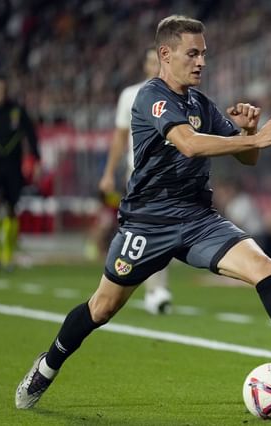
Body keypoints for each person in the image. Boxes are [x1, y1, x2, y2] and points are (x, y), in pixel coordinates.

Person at [15, 15, 271, 410]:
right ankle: (47, 366)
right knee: (102, 307)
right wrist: (257, 139)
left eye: (204, 54)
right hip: (148, 223)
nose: (201, 62)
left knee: (265, 267)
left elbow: (247, 158)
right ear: (165, 54)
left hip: (198, 219)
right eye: (192, 54)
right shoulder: (151, 96)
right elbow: (190, 144)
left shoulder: (200, 102)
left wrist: (249, 133)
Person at [98, 47, 173, 315]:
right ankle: (151, 289)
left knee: (162, 228)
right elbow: (120, 138)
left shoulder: (178, 96)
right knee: (146, 229)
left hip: (170, 174)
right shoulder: (130, 95)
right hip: (139, 173)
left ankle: (154, 289)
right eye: (151, 61)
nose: (155, 66)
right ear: (145, 65)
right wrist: (108, 173)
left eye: (159, 61)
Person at [0, 75, 40, 272]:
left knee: (10, 209)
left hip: (13, 165)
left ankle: (8, 255)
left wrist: (36, 159)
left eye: (2, 89)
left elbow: (31, 134)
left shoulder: (16, 110)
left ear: (6, 90)